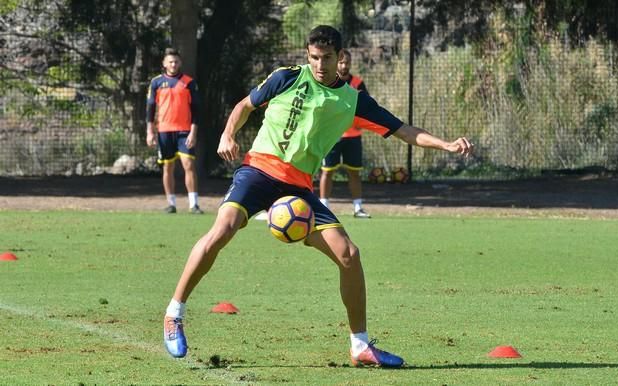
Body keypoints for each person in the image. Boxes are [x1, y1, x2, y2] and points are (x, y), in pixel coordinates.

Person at [162, 26, 473, 367]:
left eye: (327, 58)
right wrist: (227, 134)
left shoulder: (354, 100)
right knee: (224, 228)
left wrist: (445, 143)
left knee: (349, 254)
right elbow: (244, 106)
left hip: (298, 190)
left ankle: (360, 346)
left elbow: (404, 131)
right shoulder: (286, 77)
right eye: (314, 58)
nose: (320, 65)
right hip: (258, 171)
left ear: (341, 58)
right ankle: (174, 313)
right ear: (306, 55)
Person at [146, 48, 204, 214]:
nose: (173, 64)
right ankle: (171, 203)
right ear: (164, 64)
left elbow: (196, 110)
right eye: (170, 61)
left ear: (180, 63)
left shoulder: (188, 82)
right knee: (168, 167)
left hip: (184, 131)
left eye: (176, 61)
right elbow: (150, 109)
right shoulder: (156, 83)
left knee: (188, 164)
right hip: (164, 131)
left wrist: (193, 131)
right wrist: (150, 131)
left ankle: (194, 204)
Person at [319, 49, 371, 218]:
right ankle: (323, 206)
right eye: (341, 62)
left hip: (353, 137)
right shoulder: (326, 82)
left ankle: (358, 208)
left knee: (354, 172)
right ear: (335, 64)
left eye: (347, 62)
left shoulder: (357, 83)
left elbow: (366, 107)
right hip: (332, 136)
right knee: (327, 171)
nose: (344, 66)